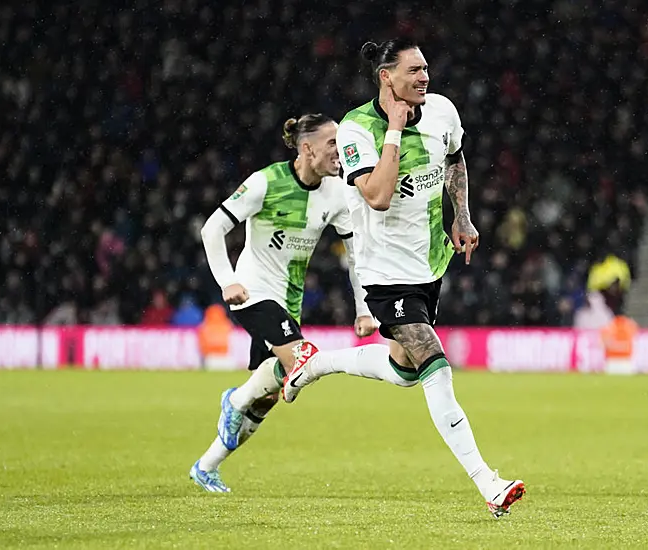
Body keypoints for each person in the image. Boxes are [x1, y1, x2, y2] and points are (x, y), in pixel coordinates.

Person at [281, 39, 525, 518]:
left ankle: (315, 364)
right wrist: (394, 128)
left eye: (427, 68)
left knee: (404, 369)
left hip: (429, 261)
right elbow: (377, 195)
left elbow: (455, 158)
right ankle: (488, 482)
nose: (424, 77)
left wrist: (463, 216)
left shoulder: (442, 112)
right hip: (384, 270)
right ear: (385, 78)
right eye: (414, 70)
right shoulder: (357, 129)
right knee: (433, 360)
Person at [190, 114, 422, 492]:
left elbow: (355, 255)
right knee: (300, 361)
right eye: (332, 143)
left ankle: (206, 465)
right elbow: (212, 228)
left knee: (268, 395)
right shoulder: (265, 182)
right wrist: (227, 280)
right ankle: (233, 402)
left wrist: (363, 309)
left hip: (287, 301)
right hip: (252, 291)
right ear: (307, 148)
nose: (339, 151)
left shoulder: (336, 192)